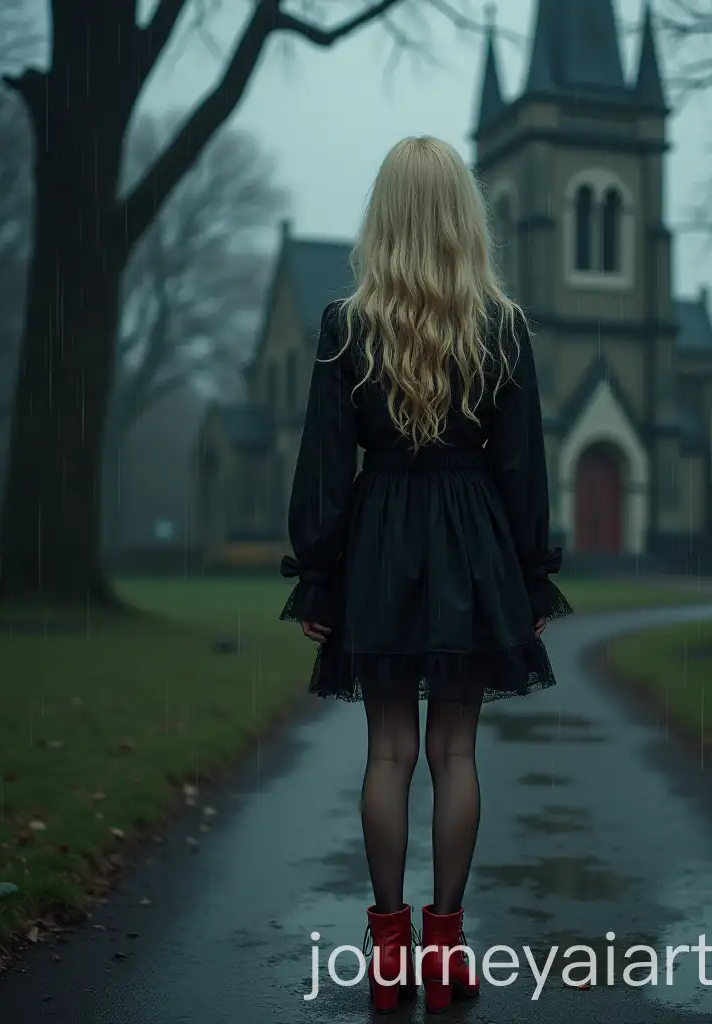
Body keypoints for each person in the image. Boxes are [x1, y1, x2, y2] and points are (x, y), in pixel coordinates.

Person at [279, 135, 573, 1014]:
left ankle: (388, 950)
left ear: (387, 218)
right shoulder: (503, 326)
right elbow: (522, 465)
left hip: (378, 548)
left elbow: (325, 468)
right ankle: (446, 949)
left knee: (388, 752)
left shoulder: (347, 324)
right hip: (473, 547)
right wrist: (528, 577)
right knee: (454, 751)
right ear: (461, 217)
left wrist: (320, 577)